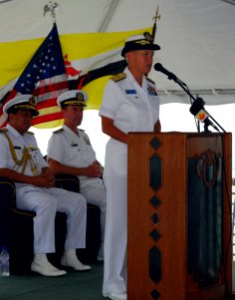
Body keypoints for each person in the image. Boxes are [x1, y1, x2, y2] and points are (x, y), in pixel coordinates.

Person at [0, 94, 91, 277]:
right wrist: (34, 181)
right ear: (11, 116)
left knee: (78, 201)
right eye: (24, 115)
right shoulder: (0, 138)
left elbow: (43, 164)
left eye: (30, 115)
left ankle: (70, 253)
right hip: (16, 191)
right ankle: (40, 259)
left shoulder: (30, 138)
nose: (28, 119)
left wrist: (48, 173)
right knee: (46, 203)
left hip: (39, 187)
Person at [99, 33, 161, 300]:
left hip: (146, 163)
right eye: (145, 54)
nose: (150, 59)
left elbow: (155, 124)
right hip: (121, 163)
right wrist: (136, 144)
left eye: (151, 54)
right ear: (129, 57)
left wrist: (158, 145)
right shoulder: (115, 85)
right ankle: (112, 282)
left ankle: (132, 275)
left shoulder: (152, 87)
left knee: (140, 222)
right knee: (118, 223)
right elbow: (106, 125)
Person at [47, 90, 106, 261]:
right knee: (110, 201)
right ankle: (104, 249)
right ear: (63, 112)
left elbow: (92, 162)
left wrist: (99, 169)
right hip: (79, 185)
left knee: (127, 194)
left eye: (81, 110)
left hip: (96, 182)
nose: (79, 114)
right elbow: (53, 167)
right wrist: (85, 172)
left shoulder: (84, 136)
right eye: (74, 109)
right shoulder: (58, 137)